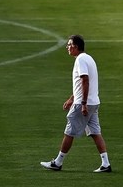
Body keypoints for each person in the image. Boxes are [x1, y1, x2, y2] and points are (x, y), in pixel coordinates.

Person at [40, 34, 112, 173]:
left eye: (69, 45)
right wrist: (72, 98)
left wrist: (82, 103)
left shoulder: (80, 60)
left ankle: (58, 162)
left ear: (76, 47)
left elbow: (85, 80)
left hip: (83, 104)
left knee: (69, 132)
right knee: (95, 132)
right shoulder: (88, 58)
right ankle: (105, 163)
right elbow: (82, 83)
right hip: (93, 102)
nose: (67, 47)